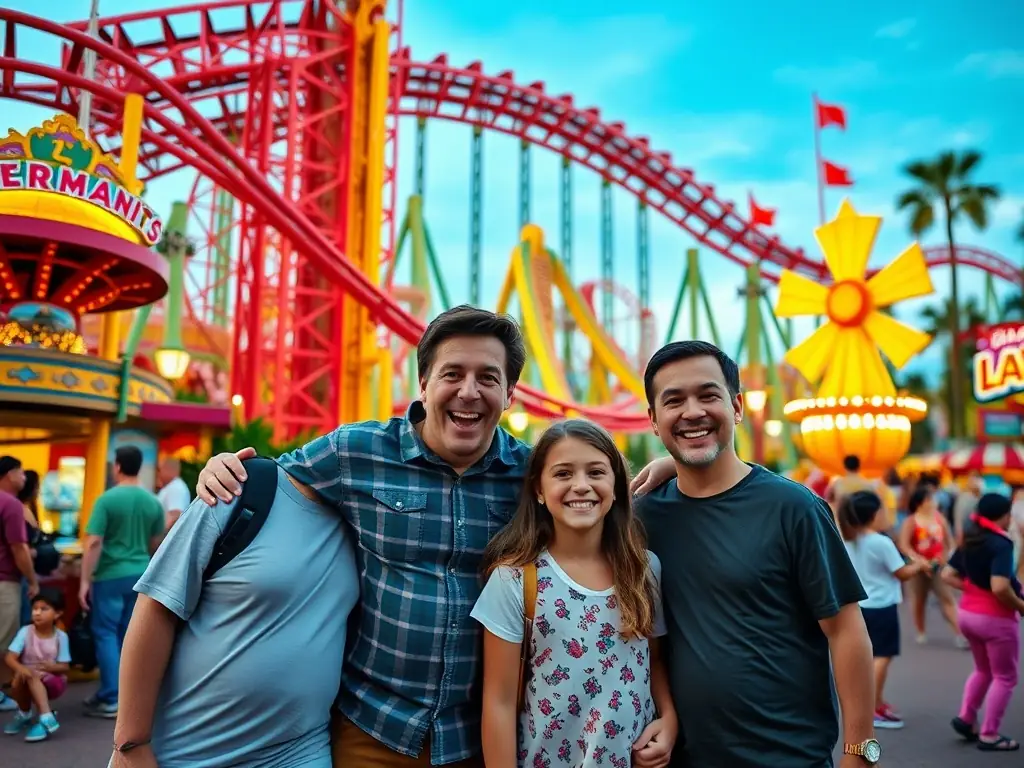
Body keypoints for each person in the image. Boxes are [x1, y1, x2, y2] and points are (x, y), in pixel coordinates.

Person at [193, 306, 677, 767]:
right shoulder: (357, 452)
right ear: (424, 384)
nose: (469, 391)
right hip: (374, 728)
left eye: (488, 377)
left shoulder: (531, 474)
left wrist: (672, 463)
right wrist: (227, 468)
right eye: (452, 374)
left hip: (475, 737)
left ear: (510, 395)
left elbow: (595, 493)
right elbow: (278, 482)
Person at [632, 340, 878, 768]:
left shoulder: (794, 508)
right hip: (682, 757)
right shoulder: (643, 516)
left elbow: (845, 630)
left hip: (789, 756)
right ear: (654, 421)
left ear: (738, 407)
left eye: (708, 395)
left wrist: (860, 752)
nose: (692, 411)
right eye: (674, 401)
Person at [109, 461, 359, 768]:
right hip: (188, 751)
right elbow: (157, 605)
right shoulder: (239, 490)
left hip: (301, 750)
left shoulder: (372, 527)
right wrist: (130, 744)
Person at [472, 419, 675, 768]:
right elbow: (499, 702)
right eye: (563, 474)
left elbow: (653, 659)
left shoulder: (644, 569)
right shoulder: (515, 580)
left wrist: (669, 719)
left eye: (596, 473)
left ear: (615, 486)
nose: (581, 486)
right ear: (538, 489)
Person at [79, 445, 165, 719]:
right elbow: (157, 543)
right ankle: (128, 696)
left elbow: (93, 542)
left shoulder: (107, 500)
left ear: (116, 466)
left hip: (110, 575)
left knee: (105, 633)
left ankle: (110, 696)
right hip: (141, 575)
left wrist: (84, 581)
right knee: (128, 636)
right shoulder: (153, 502)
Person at [838, 490, 927, 730]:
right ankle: (872, 709)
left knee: (871, 657)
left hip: (862, 606)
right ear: (873, 514)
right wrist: (918, 565)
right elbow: (902, 573)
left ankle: (877, 702)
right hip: (882, 605)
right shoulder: (881, 542)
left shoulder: (848, 539)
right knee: (881, 658)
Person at [942, 493, 1024, 753]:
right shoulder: (1000, 543)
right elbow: (1000, 587)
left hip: (967, 615)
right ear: (1001, 516)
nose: (1011, 519)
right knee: (1005, 676)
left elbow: (947, 574)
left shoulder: (971, 536)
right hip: (995, 620)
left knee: (983, 670)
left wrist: (973, 589)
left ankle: (967, 718)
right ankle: (989, 734)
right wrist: (1021, 607)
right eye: (1009, 514)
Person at [896, 485, 963, 646]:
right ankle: (920, 630)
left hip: (938, 566)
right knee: (919, 600)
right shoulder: (911, 521)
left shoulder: (940, 518)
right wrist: (918, 560)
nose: (933, 502)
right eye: (929, 499)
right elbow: (904, 545)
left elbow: (949, 541)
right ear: (920, 503)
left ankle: (960, 633)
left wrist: (945, 557)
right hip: (918, 568)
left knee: (947, 598)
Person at [3, 588, 71, 743]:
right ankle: (24, 714)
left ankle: (46, 717)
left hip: (53, 681)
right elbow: (10, 658)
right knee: (21, 678)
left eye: (44, 609)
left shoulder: (61, 636)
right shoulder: (25, 632)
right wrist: (23, 670)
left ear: (58, 613)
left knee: (33, 676)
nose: (37, 613)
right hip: (28, 677)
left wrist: (49, 667)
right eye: (34, 609)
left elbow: (64, 667)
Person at [0, 456, 36, 714]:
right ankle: (3, 693)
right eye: (21, 472)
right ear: (9, 474)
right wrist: (33, 579)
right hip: (5, 582)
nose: (24, 477)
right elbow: (19, 548)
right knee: (5, 640)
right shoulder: (10, 504)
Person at [155, 457, 191, 530]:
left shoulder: (176, 488)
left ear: (169, 470)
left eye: (160, 470)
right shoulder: (171, 486)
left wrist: (158, 537)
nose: (158, 473)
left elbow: (174, 516)